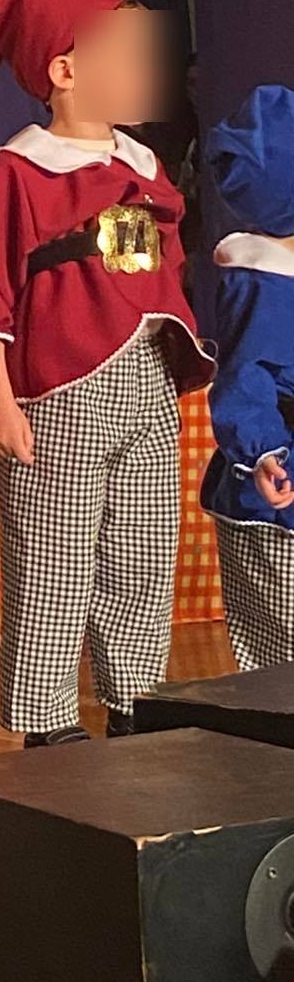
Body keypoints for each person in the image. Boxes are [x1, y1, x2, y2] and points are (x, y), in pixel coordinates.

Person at [0, 0, 213, 748]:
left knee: (141, 550)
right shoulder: (20, 171)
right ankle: (46, 717)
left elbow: (164, 267)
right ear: (65, 70)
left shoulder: (146, 166)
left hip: (144, 380)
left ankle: (135, 695)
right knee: (53, 560)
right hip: (64, 385)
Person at [201, 85, 294, 669]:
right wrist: (264, 452)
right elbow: (244, 381)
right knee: (279, 655)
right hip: (277, 488)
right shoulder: (261, 282)